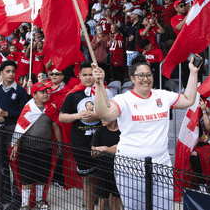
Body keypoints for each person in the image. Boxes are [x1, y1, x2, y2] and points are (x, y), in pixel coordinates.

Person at [93, 54, 201, 210]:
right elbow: (105, 114)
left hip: (161, 164)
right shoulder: (123, 99)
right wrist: (99, 84)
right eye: (140, 75)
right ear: (132, 78)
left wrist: (193, 72)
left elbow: (188, 99)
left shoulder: (163, 96)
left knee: (162, 207)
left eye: (148, 74)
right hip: (130, 167)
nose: (145, 79)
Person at [59, 61, 113, 210]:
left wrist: (97, 116)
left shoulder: (105, 92)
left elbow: (114, 115)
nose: (89, 78)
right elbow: (62, 117)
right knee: (88, 180)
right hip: (81, 143)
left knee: (105, 180)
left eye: (91, 74)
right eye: (85, 75)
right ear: (79, 76)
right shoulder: (73, 95)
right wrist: (77, 116)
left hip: (103, 142)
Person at [10, 82, 62, 210]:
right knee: (26, 176)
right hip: (28, 148)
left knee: (42, 175)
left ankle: (39, 200)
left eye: (46, 91)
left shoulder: (50, 109)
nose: (46, 94)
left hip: (46, 148)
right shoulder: (28, 109)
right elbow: (20, 127)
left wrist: (60, 144)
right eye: (42, 92)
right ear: (34, 95)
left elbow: (56, 126)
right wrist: (15, 144)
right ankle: (24, 204)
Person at [0, 60, 29, 208]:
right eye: (7, 71)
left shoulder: (21, 91)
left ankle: (16, 201)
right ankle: (3, 197)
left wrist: (7, 114)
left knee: (15, 165)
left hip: (13, 131)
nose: (11, 74)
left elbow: (24, 113)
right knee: (1, 164)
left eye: (13, 71)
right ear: (2, 72)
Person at [91, 118, 122, 210]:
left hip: (119, 171)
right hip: (103, 170)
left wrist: (105, 149)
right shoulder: (99, 131)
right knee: (102, 198)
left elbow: (123, 149)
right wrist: (113, 149)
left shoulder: (122, 131)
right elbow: (93, 151)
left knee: (118, 197)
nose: (101, 119)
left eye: (104, 117)